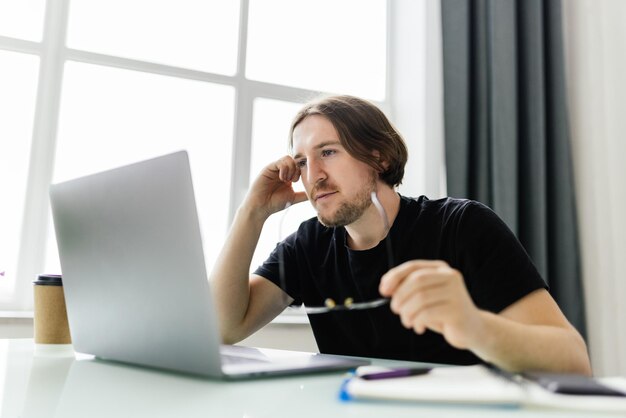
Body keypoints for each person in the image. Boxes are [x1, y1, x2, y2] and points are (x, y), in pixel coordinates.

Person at [210, 95, 591, 375]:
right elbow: (224, 327)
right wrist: (252, 212)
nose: (314, 176)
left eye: (328, 152)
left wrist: (474, 326)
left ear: (381, 157)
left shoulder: (462, 226)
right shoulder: (307, 246)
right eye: (303, 162)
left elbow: (574, 362)